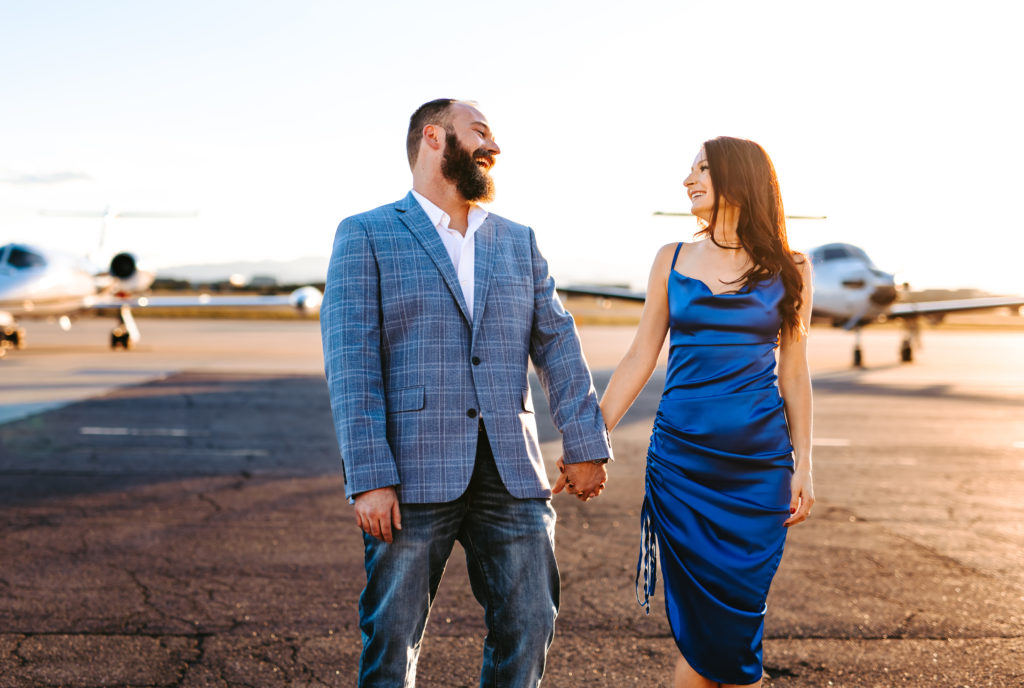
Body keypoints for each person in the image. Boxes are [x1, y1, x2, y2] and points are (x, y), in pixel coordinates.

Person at [320, 98, 612, 688]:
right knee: (392, 637)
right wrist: (370, 475)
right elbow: (351, 363)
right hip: (410, 474)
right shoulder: (367, 234)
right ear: (434, 138)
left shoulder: (518, 241)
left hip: (512, 471)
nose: (494, 147)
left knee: (530, 622)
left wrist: (586, 443)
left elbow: (557, 342)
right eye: (480, 132)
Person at [558, 136, 814, 687]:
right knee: (707, 635)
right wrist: (587, 439)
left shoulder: (792, 267)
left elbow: (794, 372)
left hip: (759, 470)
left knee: (737, 622)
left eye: (702, 168)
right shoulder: (670, 259)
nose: (688, 179)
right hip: (682, 469)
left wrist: (805, 464)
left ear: (739, 180)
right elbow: (637, 358)